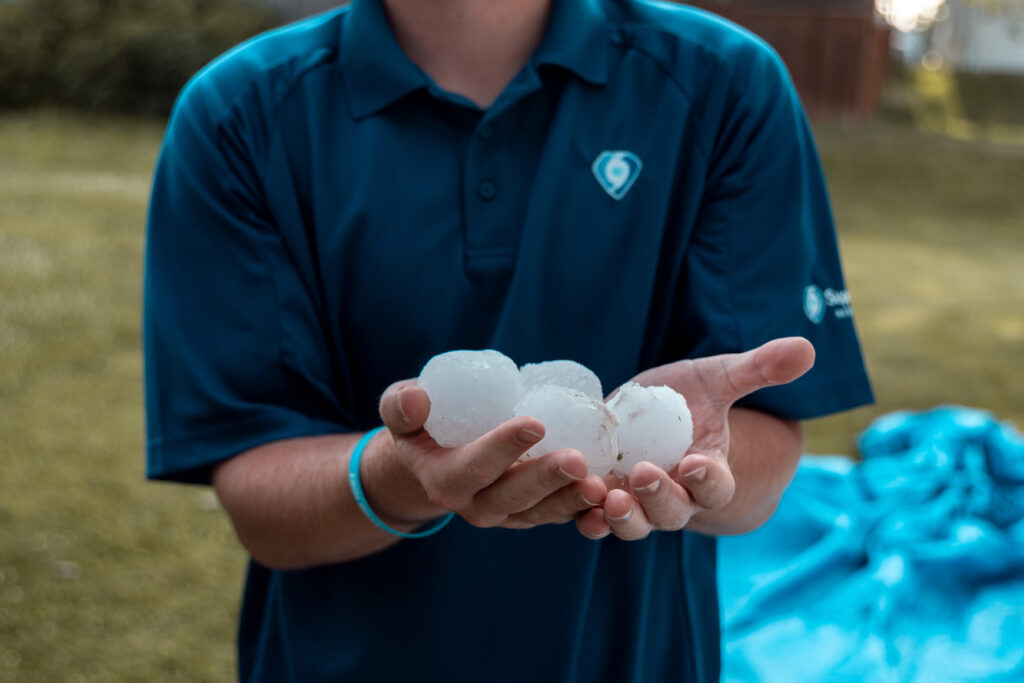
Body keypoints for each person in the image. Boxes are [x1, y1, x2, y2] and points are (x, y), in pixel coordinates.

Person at [143, 0, 873, 680]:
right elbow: (259, 501)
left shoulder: (723, 83)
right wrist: (406, 474)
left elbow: (765, 458)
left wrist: (683, 455)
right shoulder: (240, 114)